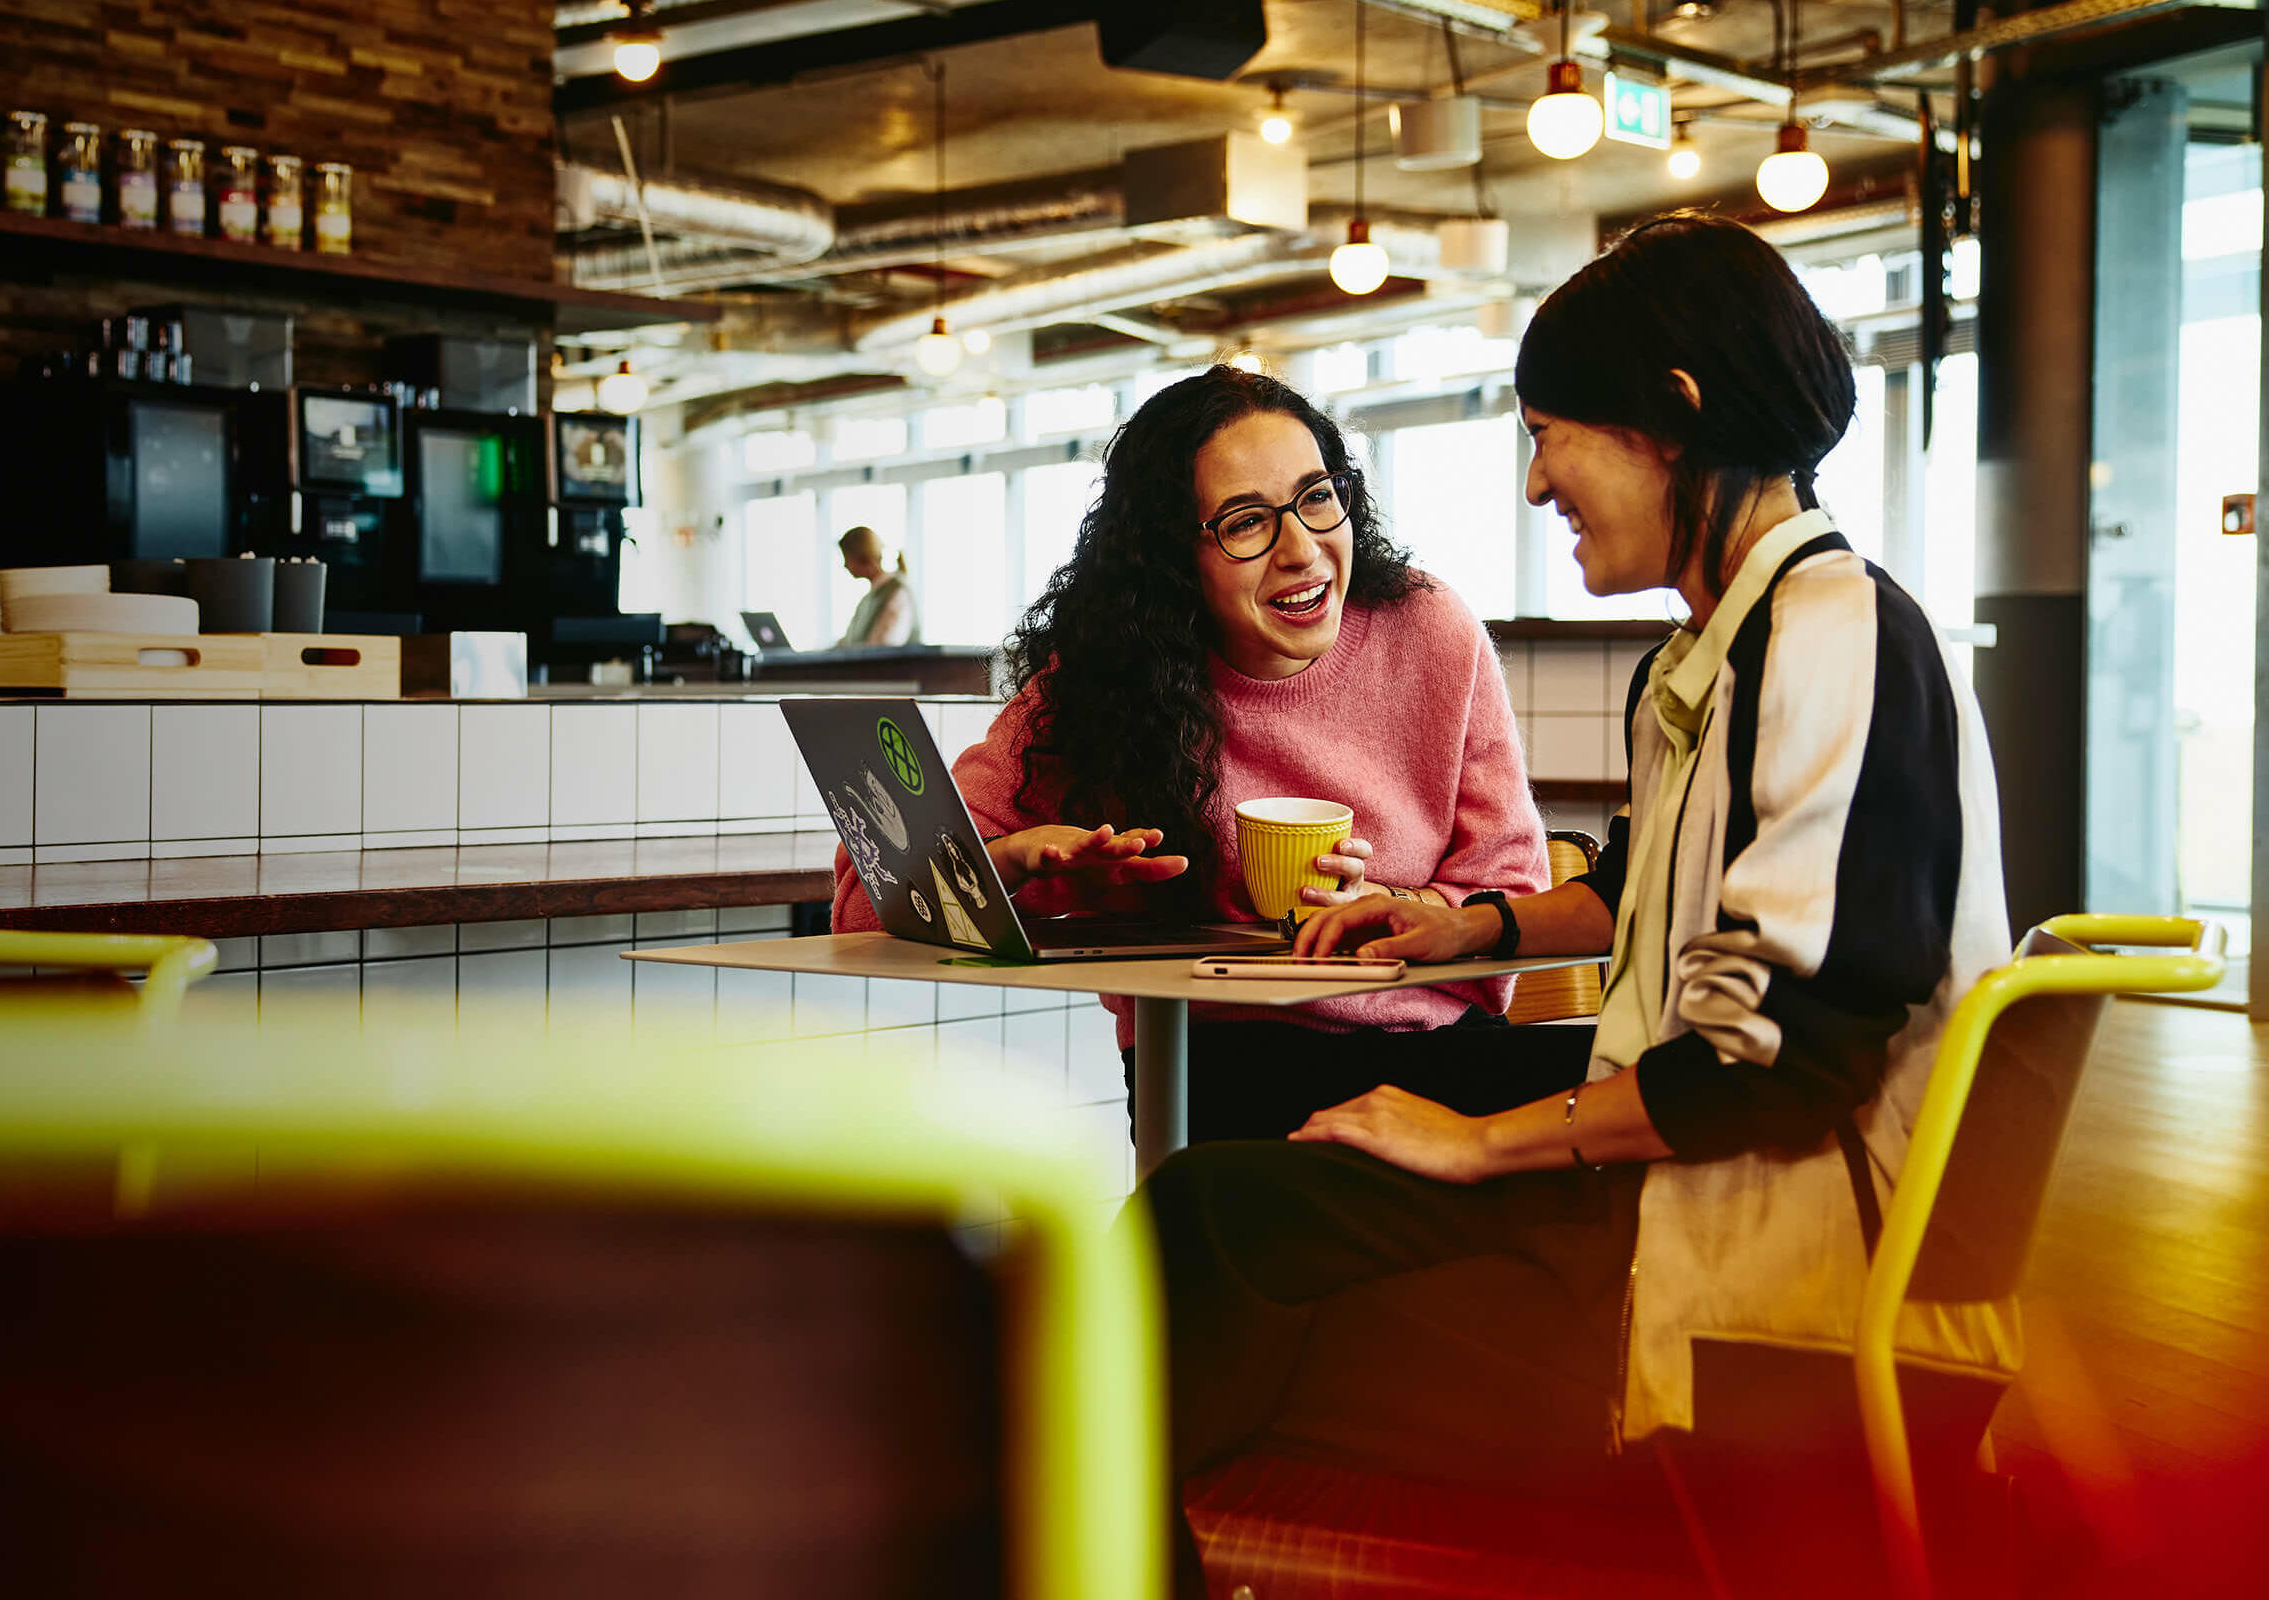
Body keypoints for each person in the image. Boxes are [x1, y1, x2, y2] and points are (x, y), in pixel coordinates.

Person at [1142, 213, 2012, 1584]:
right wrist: (1467, 925)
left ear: (1671, 416)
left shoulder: (1829, 647)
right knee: (1243, 1204)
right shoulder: (1745, 639)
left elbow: (1775, 1055)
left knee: (1210, 1241)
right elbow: (1653, 886)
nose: (1541, 479)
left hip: (1763, 1287)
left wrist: (1481, 1142)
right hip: (1717, 1187)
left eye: (1554, 432)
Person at [826, 367, 1559, 1142]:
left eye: (1318, 496)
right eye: (1247, 522)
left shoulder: (1430, 629)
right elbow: (865, 907)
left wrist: (1397, 910)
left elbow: (1510, 892)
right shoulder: (1106, 679)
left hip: (1437, 1059)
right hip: (1217, 1071)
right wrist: (1015, 862)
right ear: (1172, 556)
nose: (1303, 550)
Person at [833, 525, 923, 647]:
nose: (845, 565)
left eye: (846, 558)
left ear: (862, 557)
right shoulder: (870, 598)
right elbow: (851, 641)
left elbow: (885, 644)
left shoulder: (897, 592)